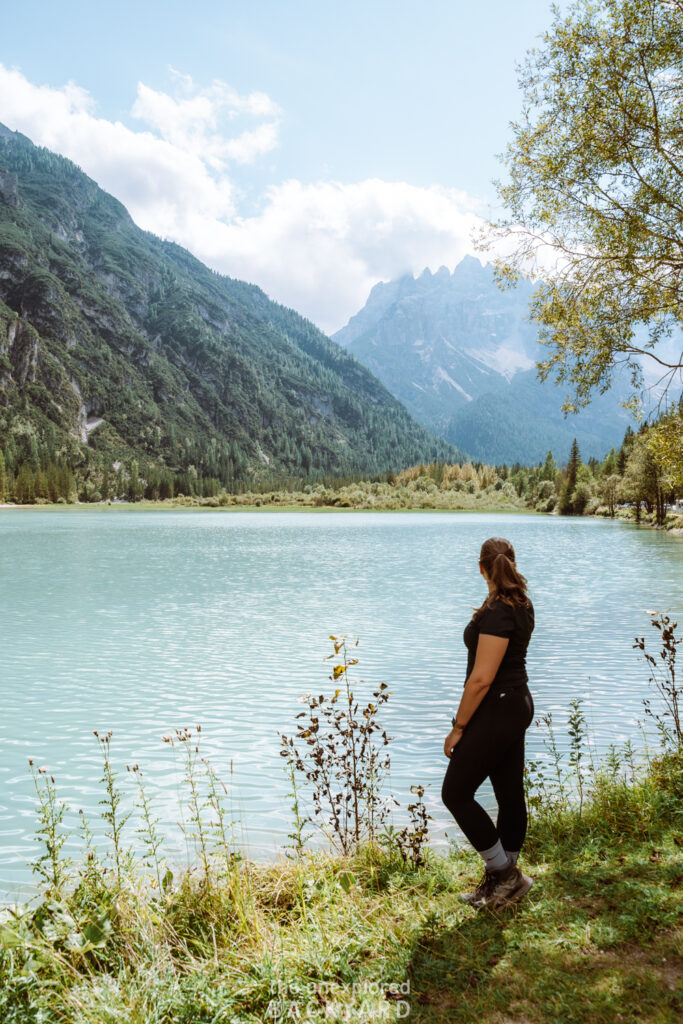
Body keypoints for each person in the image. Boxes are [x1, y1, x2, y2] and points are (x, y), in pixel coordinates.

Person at [441, 536, 535, 910]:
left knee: (456, 793)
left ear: (481, 568)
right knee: (509, 793)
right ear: (511, 563)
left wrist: (459, 726)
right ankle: (502, 883)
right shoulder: (521, 604)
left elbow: (482, 678)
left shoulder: (498, 612)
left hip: (497, 706)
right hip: (516, 704)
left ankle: (506, 875)